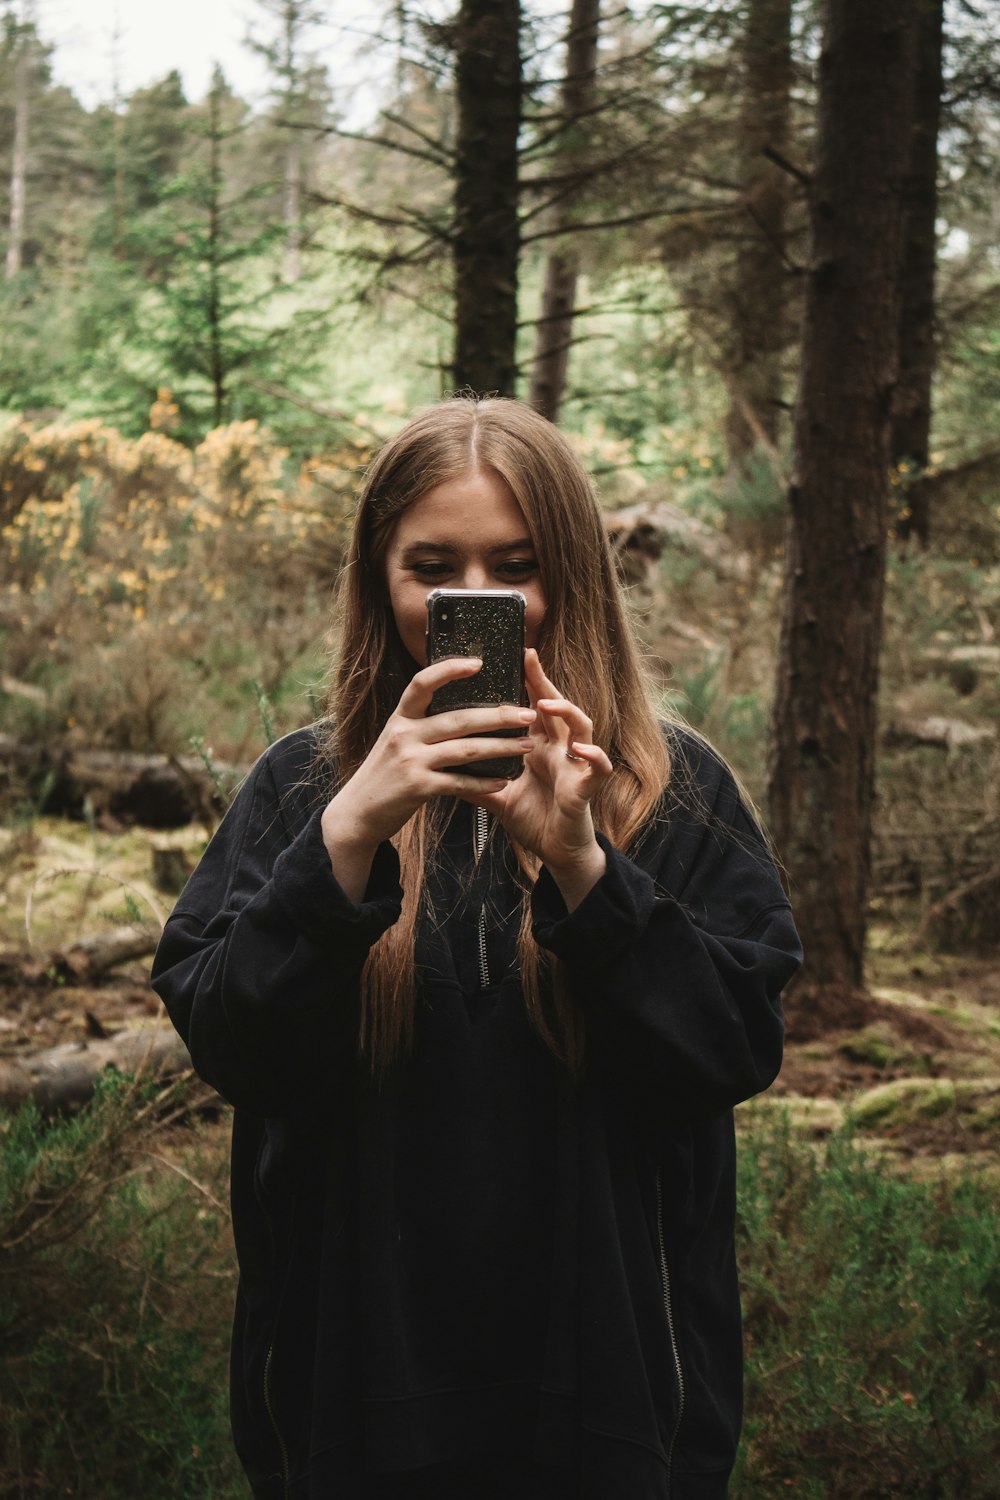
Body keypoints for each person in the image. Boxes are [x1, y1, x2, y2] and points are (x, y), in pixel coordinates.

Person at [151, 396, 802, 1500]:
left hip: (604, 1410)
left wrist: (586, 869)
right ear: (381, 580)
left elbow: (731, 1049)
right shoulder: (304, 791)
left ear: (577, 575)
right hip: (357, 1402)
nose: (478, 601)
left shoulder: (669, 790)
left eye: (517, 564)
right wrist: (349, 834)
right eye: (434, 568)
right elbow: (233, 1042)